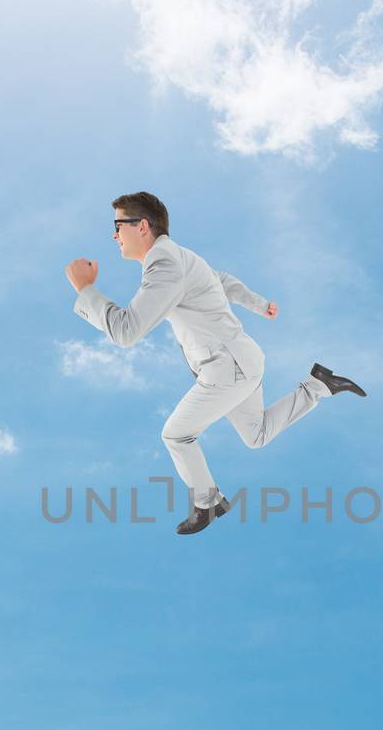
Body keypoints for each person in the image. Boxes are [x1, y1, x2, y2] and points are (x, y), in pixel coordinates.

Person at [65, 191, 365, 536]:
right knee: (257, 435)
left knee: (176, 435)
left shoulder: (164, 266)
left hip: (228, 369)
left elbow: (127, 331)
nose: (114, 235)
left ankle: (207, 504)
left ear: (142, 226)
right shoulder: (179, 257)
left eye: (118, 226)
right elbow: (221, 282)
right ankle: (319, 385)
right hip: (243, 361)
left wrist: (85, 290)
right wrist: (259, 303)